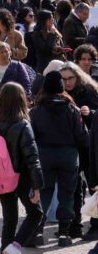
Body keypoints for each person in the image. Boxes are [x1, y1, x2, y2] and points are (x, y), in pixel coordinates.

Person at [30, 71, 89, 247]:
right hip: (68, 156)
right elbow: (83, 137)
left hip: (44, 155)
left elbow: (31, 136)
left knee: (44, 194)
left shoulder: (36, 111)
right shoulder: (72, 109)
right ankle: (64, 233)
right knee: (67, 194)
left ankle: (38, 231)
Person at [0, 83, 45, 254]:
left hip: (2, 178)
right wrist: (37, 186)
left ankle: (5, 249)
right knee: (35, 213)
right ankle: (14, 246)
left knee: (10, 219)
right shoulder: (23, 125)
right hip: (23, 178)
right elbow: (32, 157)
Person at [59, 62, 98, 238]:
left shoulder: (88, 91)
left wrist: (90, 112)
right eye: (64, 79)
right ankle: (75, 225)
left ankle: (96, 226)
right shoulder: (60, 94)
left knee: (94, 186)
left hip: (90, 147)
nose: (67, 82)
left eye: (70, 78)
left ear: (77, 77)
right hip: (71, 148)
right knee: (73, 188)